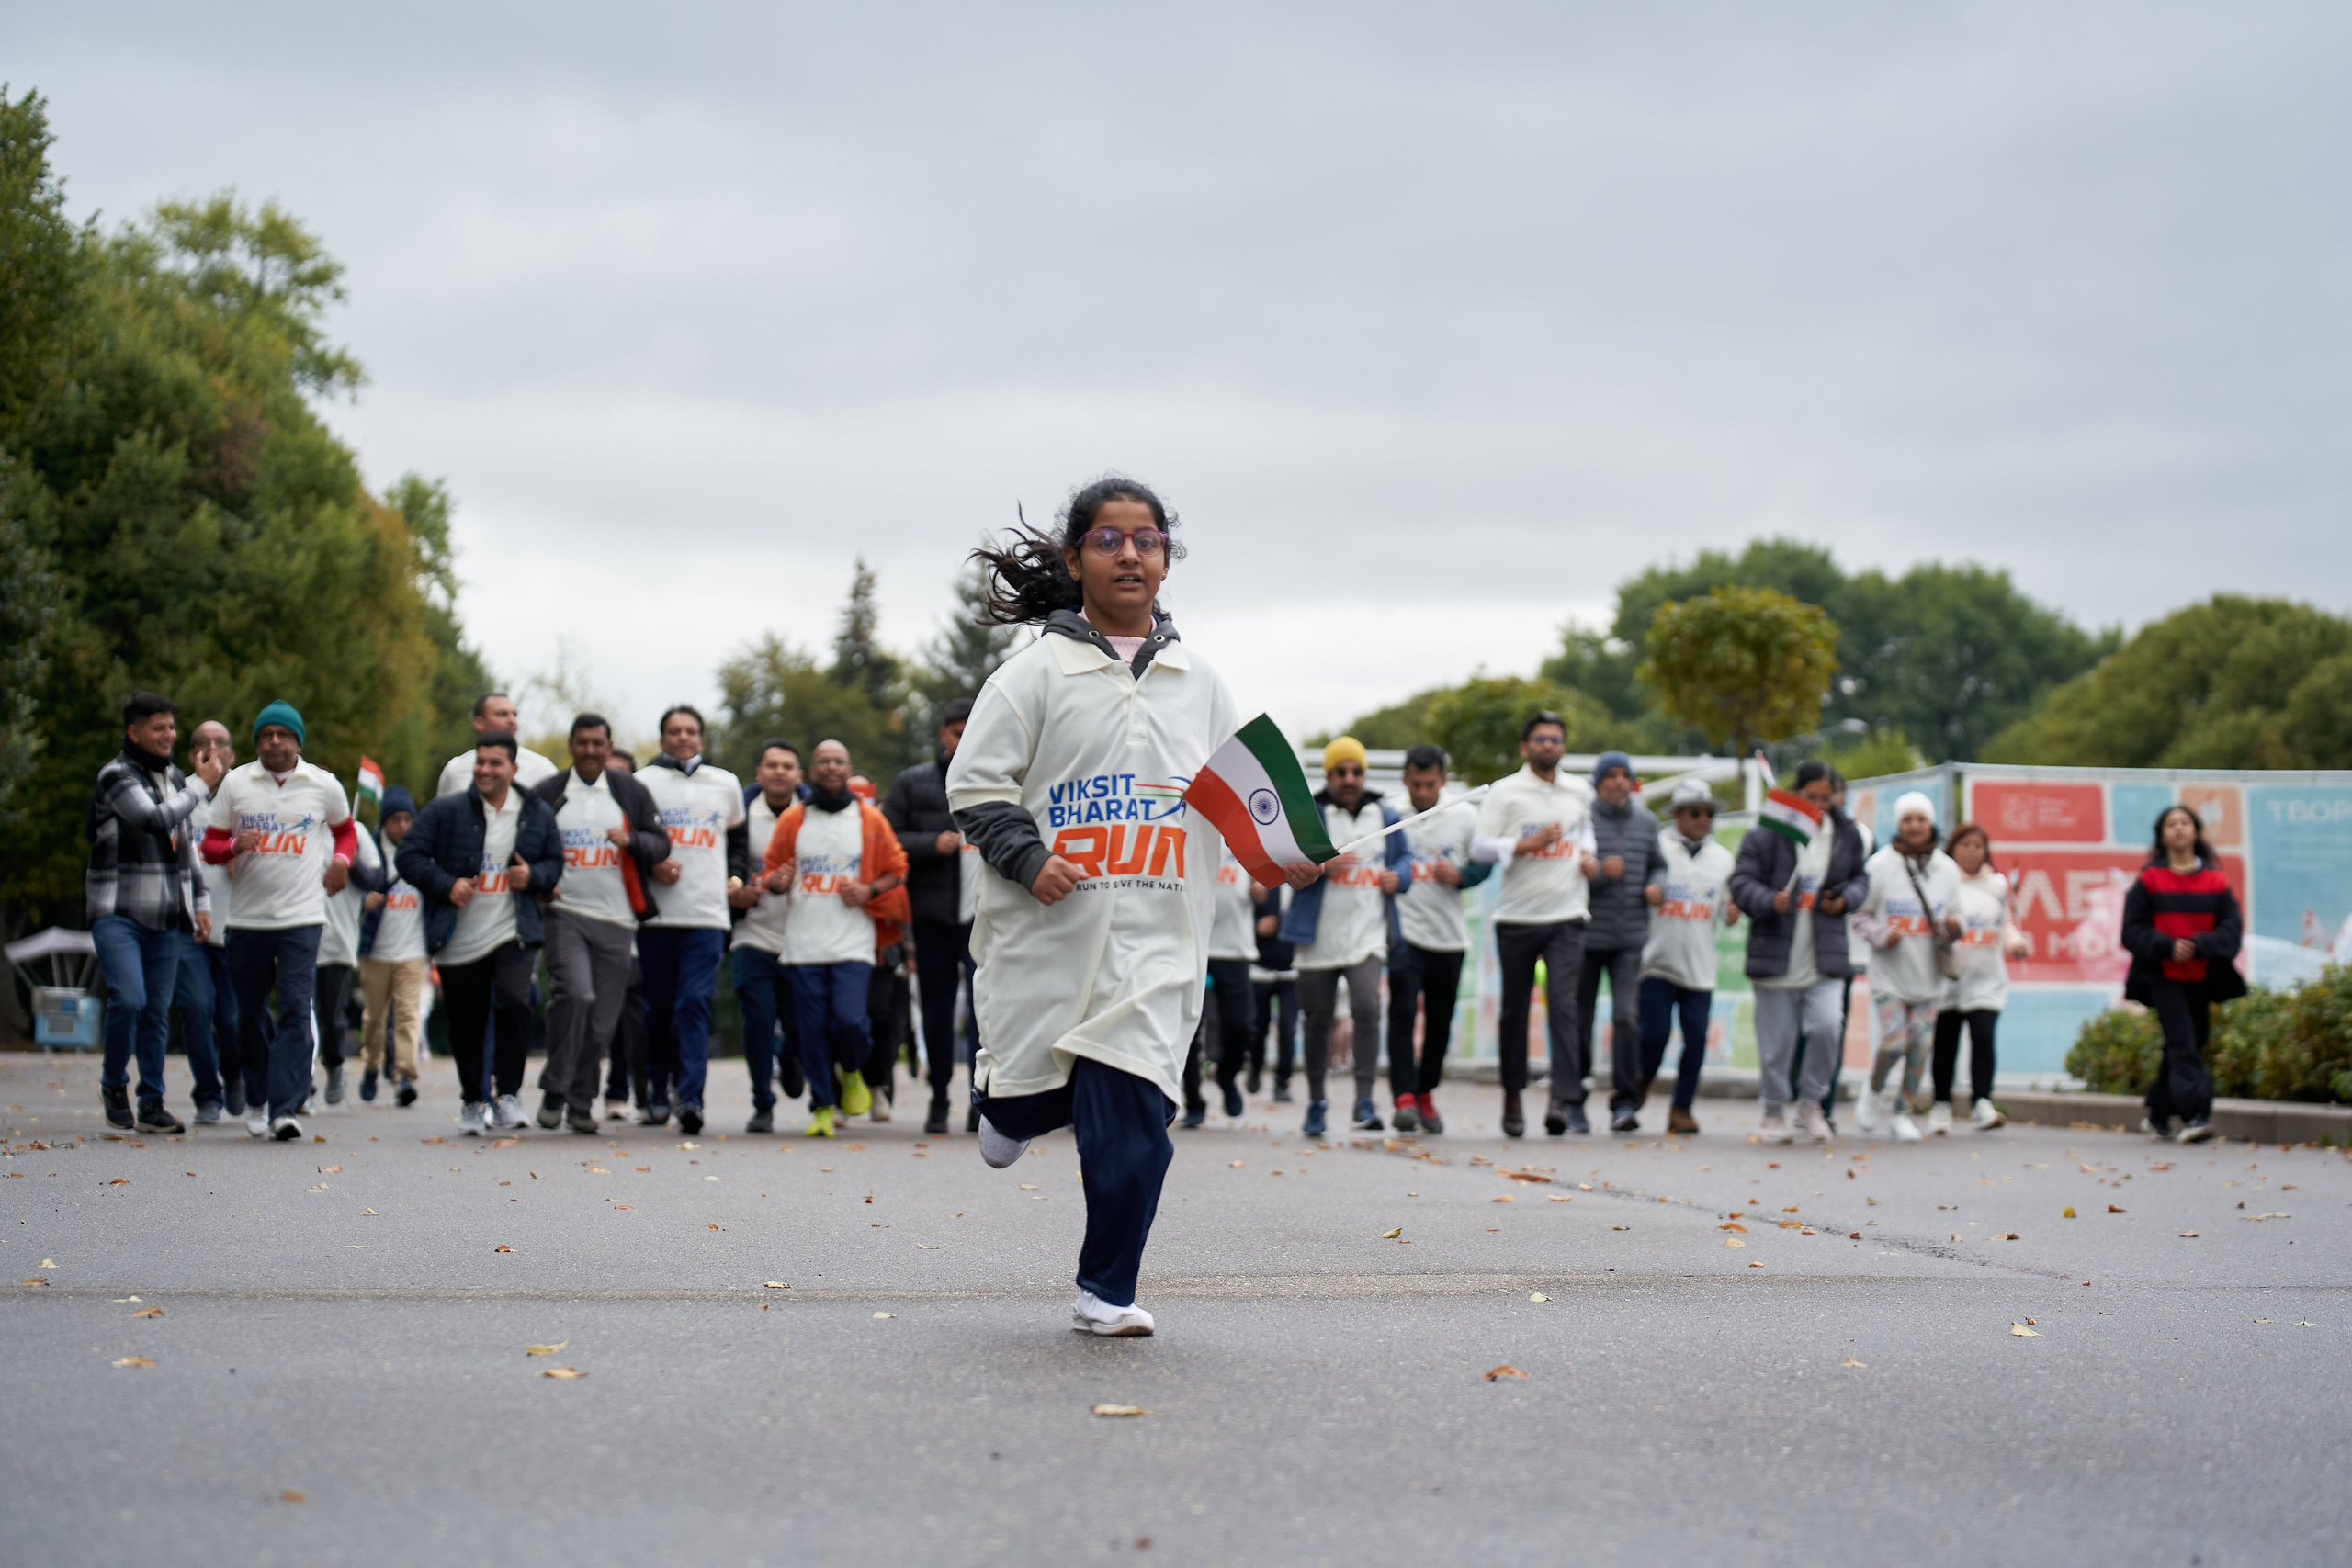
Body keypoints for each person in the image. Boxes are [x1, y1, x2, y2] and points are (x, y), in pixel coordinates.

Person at [949, 475, 1263, 1337]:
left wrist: (1282, 859)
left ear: (1167, 559)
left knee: (1133, 1118)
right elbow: (975, 787)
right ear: (1074, 557)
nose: (1130, 552)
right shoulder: (1031, 676)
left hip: (1160, 939)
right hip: (1050, 933)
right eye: (1109, 539)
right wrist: (1029, 856)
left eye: (1148, 539)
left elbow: (1247, 798)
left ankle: (1107, 1290)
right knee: (1027, 1090)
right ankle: (1005, 1101)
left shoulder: (1202, 682)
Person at [203, 700, 357, 1141]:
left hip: (302, 917)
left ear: (297, 741)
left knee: (294, 1009)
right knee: (247, 1017)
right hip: (248, 920)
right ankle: (257, 1096)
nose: (274, 740)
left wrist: (342, 861)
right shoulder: (236, 783)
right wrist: (235, 846)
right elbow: (210, 846)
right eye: (266, 734)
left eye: (283, 734)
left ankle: (286, 1107)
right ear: (257, 741)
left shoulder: (322, 784)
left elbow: (344, 831)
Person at [395, 733, 564, 1135]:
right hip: (458, 936)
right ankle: (473, 1100)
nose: (485, 769)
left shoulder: (536, 811)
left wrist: (532, 876)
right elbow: (408, 855)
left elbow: (554, 863)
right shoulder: (446, 810)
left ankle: (508, 1095)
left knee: (513, 1004)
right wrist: (446, 883)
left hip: (513, 929)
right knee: (466, 1021)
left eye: (495, 763)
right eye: (480, 762)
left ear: (513, 769)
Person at [88, 691, 226, 1134]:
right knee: (130, 998)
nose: (169, 735)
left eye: (171, 727)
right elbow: (153, 819)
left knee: (156, 1012)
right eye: (158, 728)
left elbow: (185, 850)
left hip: (167, 915)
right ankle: (114, 1084)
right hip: (118, 910)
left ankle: (152, 1101)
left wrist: (200, 903)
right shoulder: (115, 776)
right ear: (134, 732)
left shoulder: (174, 778)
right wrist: (200, 787)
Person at [759, 739, 910, 1138]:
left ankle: (852, 1069)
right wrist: (778, 881)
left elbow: (897, 868)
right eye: (822, 760)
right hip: (803, 943)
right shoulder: (793, 819)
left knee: (850, 1023)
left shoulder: (869, 819)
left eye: (838, 761)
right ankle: (823, 1105)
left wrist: (869, 891)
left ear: (848, 770)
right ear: (811, 772)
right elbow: (771, 873)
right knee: (810, 1030)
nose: (830, 766)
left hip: (853, 942)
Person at [532, 714, 671, 1134]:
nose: (590, 750)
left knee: (602, 1021)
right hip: (565, 914)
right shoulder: (549, 793)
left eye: (597, 743)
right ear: (571, 746)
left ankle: (579, 1102)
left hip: (618, 919)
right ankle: (556, 1088)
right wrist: (541, 884)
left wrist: (633, 841)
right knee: (576, 995)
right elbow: (525, 847)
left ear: (609, 748)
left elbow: (661, 843)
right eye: (582, 742)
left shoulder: (629, 790)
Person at [1471, 711, 1600, 1137]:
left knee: (1564, 1007)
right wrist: (1526, 843)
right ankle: (1512, 1095)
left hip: (1567, 916)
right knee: (1515, 1011)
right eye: (1541, 739)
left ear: (1564, 747)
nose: (1549, 746)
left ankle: (1561, 1098)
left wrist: (1587, 856)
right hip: (1517, 917)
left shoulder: (1580, 790)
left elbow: (1585, 834)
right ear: (1526, 747)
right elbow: (1480, 847)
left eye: (1556, 740)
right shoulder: (1506, 793)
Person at [1728, 760, 1868, 1145]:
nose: (1820, 805)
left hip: (1825, 959)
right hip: (1775, 959)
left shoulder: (1847, 834)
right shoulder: (1766, 835)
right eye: (1811, 797)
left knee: (1827, 1027)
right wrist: (1768, 900)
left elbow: (1860, 880)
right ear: (1796, 794)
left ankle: (1811, 1104)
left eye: (1828, 797)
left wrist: (1845, 900)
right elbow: (1741, 881)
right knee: (1777, 1042)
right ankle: (1773, 1111)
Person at [1281, 737, 1413, 1135]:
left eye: (1356, 771)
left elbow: (1405, 858)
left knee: (1367, 1009)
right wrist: (1320, 862)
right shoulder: (1309, 815)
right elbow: (1288, 863)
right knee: (1317, 1021)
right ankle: (1317, 1101)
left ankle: (1364, 1099)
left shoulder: (1386, 816)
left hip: (1367, 937)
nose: (1349, 778)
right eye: (1341, 771)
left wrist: (1399, 877)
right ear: (1328, 775)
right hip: (1316, 938)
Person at [635, 705, 746, 1134]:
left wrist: (736, 878)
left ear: (702, 738)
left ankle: (692, 1098)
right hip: (657, 916)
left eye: (692, 731)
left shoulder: (726, 784)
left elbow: (738, 841)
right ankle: (657, 1090)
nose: (684, 738)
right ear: (662, 737)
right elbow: (631, 842)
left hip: (708, 915)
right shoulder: (642, 783)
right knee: (659, 1009)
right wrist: (653, 864)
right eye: (675, 731)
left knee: (694, 1004)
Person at [883, 700, 988, 1136]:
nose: (962, 739)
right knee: (937, 1012)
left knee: (985, 1014)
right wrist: (932, 844)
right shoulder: (913, 783)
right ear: (942, 736)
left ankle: (981, 1101)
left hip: (984, 921)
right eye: (954, 732)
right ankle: (940, 1097)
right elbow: (887, 841)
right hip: (931, 920)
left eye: (970, 731)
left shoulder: (996, 780)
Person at [1385, 743, 1492, 1135]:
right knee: (1401, 1014)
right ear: (1405, 779)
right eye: (1416, 784)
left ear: (1444, 781)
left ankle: (1425, 1091)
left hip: (1448, 937)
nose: (1424, 792)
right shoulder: (1390, 813)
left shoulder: (1465, 815)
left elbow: (1485, 864)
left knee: (1439, 1024)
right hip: (1404, 934)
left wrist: (1463, 876)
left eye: (1431, 784)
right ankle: (1403, 1098)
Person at [2121, 805, 2243, 1145]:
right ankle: (2196, 1115)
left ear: (2196, 832)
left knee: (2189, 1044)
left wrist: (2200, 944)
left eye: (2185, 823)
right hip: (2163, 977)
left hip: (2203, 977)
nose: (2178, 829)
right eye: (2171, 824)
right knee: (2183, 1043)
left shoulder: (2216, 880)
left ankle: (2159, 1111)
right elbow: (2131, 932)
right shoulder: (2149, 880)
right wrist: (2166, 945)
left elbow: (2232, 930)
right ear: (2162, 834)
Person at [1850, 791, 1962, 1143]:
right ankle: (1874, 1089)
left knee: (1919, 1046)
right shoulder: (1880, 865)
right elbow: (1859, 914)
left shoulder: (1946, 868)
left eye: (1921, 819)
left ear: (1931, 824)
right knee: (1894, 1042)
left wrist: (1955, 927)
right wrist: (1882, 934)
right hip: (1889, 975)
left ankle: (1903, 1113)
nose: (1915, 826)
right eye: (1908, 819)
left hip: (1929, 976)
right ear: (1898, 825)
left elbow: (1956, 915)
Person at [1635, 777, 1738, 1135]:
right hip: (1657, 962)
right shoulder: (1657, 848)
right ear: (1677, 815)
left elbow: (1729, 903)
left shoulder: (1723, 859)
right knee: (1653, 1036)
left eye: (1708, 813)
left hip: (1700, 967)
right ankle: (1639, 1085)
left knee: (1695, 1040)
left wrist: (1733, 909)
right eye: (1695, 812)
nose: (1702, 819)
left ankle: (1682, 1107)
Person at [728, 739, 807, 1132]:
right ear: (759, 773)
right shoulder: (739, 816)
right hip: (752, 935)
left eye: (787, 766)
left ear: (798, 776)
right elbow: (725, 862)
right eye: (771, 765)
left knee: (798, 1024)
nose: (779, 772)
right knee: (758, 1018)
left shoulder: (814, 816)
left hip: (802, 939)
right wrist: (736, 887)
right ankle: (762, 1101)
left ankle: (791, 1058)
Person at [1584, 750, 1663, 1133]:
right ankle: (1573, 1097)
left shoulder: (1647, 823)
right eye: (1610, 775)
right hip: (1583, 935)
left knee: (1626, 1017)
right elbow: (1567, 869)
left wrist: (1656, 885)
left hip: (1630, 937)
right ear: (1597, 782)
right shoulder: (1581, 820)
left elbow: (1659, 863)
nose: (1618, 782)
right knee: (1577, 1019)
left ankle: (1625, 1102)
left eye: (1624, 775)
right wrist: (1599, 873)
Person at [1931, 821, 2028, 1134]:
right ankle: (1941, 1105)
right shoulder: (1942, 882)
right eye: (1965, 844)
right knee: (1946, 1044)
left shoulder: (1998, 884)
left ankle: (1982, 1102)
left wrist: (2014, 942)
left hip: (1987, 977)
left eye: (1978, 845)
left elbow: (2006, 923)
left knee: (1983, 1037)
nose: (1972, 851)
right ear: (1952, 849)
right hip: (1950, 978)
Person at [170, 720, 241, 1122]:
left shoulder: (246, 799)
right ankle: (208, 1094)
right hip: (189, 927)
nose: (211, 749)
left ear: (231, 755)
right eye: (202, 744)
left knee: (231, 1018)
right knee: (196, 1009)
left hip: (235, 926)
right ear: (191, 755)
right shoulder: (180, 800)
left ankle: (233, 1075)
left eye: (220, 743)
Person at [312, 778, 388, 1107]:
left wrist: (351, 864)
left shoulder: (353, 832)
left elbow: (377, 878)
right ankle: (300, 1083)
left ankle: (334, 1065)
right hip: (295, 935)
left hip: (338, 938)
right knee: (299, 1015)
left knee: (331, 1016)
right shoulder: (297, 829)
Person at [356, 785, 428, 1105]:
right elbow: (346, 892)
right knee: (374, 1018)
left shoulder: (424, 852)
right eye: (396, 819)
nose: (402, 826)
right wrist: (363, 903)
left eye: (407, 819)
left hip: (412, 950)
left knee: (408, 1015)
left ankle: (404, 1077)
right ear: (384, 822)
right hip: (375, 951)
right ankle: (372, 1064)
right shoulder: (369, 853)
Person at [1204, 842, 1262, 1121]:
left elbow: (1271, 882)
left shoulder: (1246, 830)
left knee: (1241, 1026)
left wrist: (1264, 893)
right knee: (1186, 1030)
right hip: (1193, 943)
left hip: (1235, 947)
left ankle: (1226, 1077)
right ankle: (1192, 1100)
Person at [435, 692, 558, 797]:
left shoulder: (542, 769)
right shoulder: (455, 770)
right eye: (502, 714)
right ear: (479, 723)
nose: (512, 721)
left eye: (514, 714)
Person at [1250, 884, 1300, 1100]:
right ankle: (1255, 1068)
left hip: (1293, 968)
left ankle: (1282, 1082)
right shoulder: (1260, 879)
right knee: (1258, 1027)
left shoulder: (1304, 883)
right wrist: (1256, 926)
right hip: (1261, 967)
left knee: (1288, 1028)